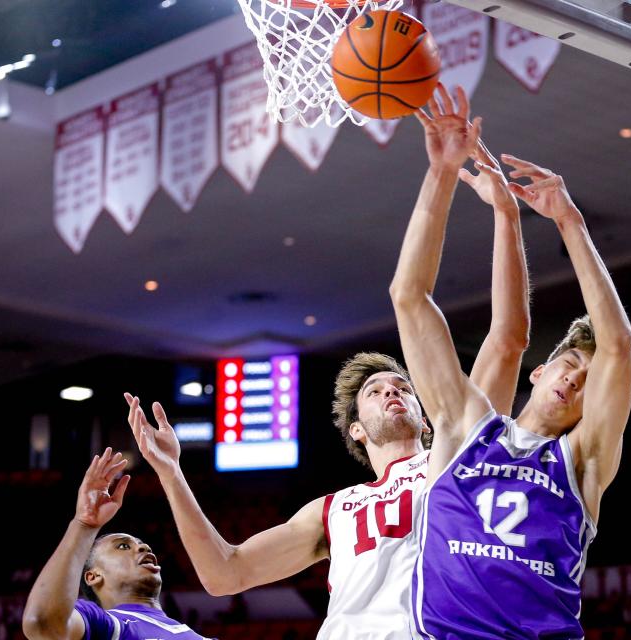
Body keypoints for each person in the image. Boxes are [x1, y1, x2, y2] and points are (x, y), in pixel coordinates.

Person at [122, 100, 532, 639]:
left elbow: (507, 341)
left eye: (401, 385)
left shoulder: (456, 456)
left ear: (426, 415)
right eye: (376, 391)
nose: (393, 391)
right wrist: (171, 473)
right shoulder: (331, 510)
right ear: (356, 431)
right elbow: (225, 574)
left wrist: (506, 214)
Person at [390, 84, 631, 638]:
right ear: (540, 371)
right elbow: (409, 297)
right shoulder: (463, 428)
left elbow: (618, 348)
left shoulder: (583, 461)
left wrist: (569, 222)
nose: (576, 377)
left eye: (589, 380)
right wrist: (443, 173)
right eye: (571, 361)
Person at [22, 448, 211, 640]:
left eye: (144, 545)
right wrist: (84, 525)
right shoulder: (104, 625)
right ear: (93, 576)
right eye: (123, 546)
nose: (144, 548)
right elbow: (42, 623)